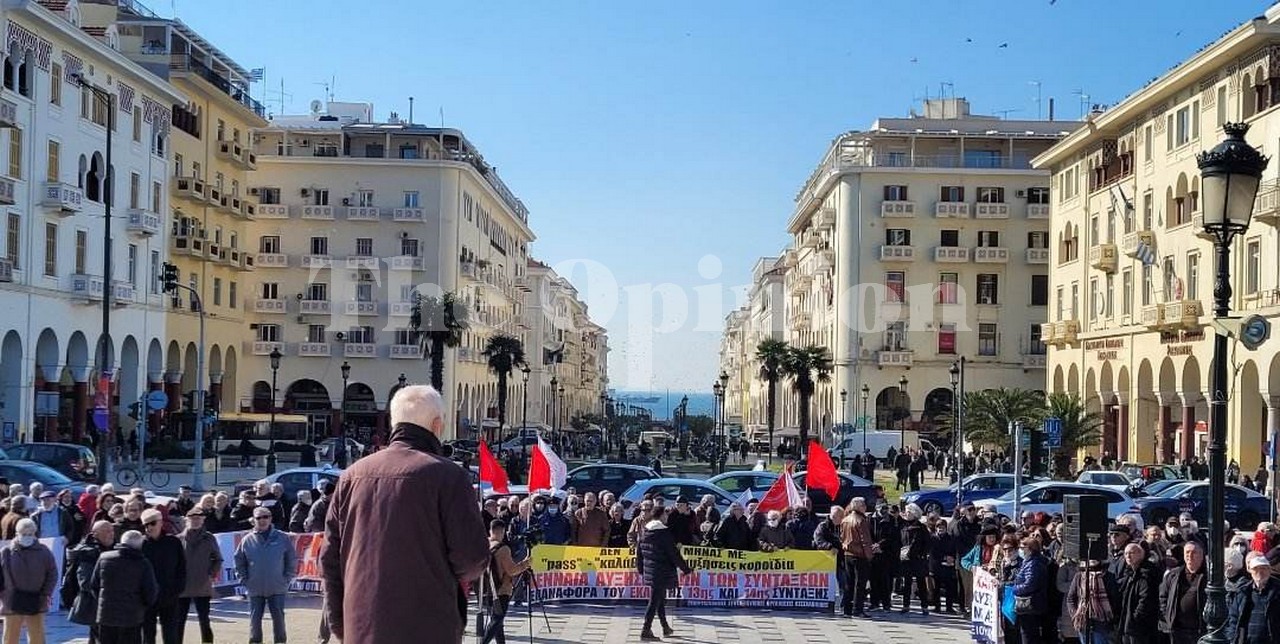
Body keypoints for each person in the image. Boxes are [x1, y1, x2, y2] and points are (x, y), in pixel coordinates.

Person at [320, 385, 488, 644]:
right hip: (429, 627)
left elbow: (330, 560)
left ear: (393, 422)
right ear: (436, 425)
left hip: (361, 627)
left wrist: (342, 626)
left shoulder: (352, 476)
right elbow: (472, 560)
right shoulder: (448, 476)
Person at [236, 507, 297, 644]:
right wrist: (244, 579)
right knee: (255, 620)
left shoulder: (282, 537)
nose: (262, 520)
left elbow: (291, 559)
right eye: (259, 518)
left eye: (266, 517)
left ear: (270, 518)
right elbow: (239, 561)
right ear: (253, 520)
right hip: (255, 587)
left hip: (277, 586)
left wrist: (286, 578)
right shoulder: (247, 540)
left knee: (279, 619)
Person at [89, 530, 158, 644]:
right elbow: (150, 591)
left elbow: (94, 585)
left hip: (106, 614)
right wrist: (144, 606)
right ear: (140, 545)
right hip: (132, 616)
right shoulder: (143, 563)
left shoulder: (104, 558)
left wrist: (102, 602)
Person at [636, 506, 693, 641]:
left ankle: (665, 627)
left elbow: (639, 552)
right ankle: (646, 629)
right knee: (655, 601)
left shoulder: (645, 530)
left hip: (650, 570)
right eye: (665, 515)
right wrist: (686, 569)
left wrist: (640, 569)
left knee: (660, 599)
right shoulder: (663, 533)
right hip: (661, 571)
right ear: (661, 516)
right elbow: (673, 554)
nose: (667, 518)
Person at [0, 518, 57, 644]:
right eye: (24, 534)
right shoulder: (7, 552)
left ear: (35, 534)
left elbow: (52, 573)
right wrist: (3, 595)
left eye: (30, 534)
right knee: (10, 637)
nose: (27, 537)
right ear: (17, 534)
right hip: (12, 600)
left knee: (37, 637)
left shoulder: (44, 551)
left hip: (36, 599)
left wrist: (46, 593)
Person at [140, 508, 185, 644]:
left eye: (152, 523)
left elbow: (181, 567)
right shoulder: (141, 544)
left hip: (169, 595)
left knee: (171, 633)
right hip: (147, 597)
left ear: (160, 523)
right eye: (145, 525)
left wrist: (178, 588)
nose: (149, 527)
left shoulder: (173, 542)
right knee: (148, 634)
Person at [177, 508, 221, 644]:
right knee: (179, 620)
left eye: (199, 518)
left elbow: (218, 559)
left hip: (203, 585)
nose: (195, 521)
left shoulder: (209, 538)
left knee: (204, 619)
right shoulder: (178, 539)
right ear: (187, 520)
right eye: (193, 518)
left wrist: (211, 574)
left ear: (203, 520)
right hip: (182, 586)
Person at [482, 519, 529, 644]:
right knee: (497, 620)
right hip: (501, 589)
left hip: (487, 588)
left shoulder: (484, 544)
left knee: (498, 622)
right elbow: (512, 570)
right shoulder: (503, 549)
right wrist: (526, 563)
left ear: (490, 530)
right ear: (502, 532)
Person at [68, 521, 116, 642]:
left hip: (110, 604)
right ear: (95, 534)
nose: (111, 534)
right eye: (106, 531)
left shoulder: (115, 548)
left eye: (112, 531)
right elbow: (85, 581)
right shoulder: (88, 553)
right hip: (95, 604)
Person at [1225, 553, 1280, 643]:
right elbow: (1233, 620)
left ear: (1270, 570)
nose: (1260, 572)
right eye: (1256, 569)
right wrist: (1233, 639)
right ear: (1250, 571)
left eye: (1263, 568)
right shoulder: (1242, 593)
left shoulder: (1277, 591)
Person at [1159, 541, 1206, 644]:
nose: (1190, 556)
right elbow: (1163, 597)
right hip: (1178, 630)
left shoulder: (1208, 577)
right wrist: (1168, 616)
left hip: (1199, 631)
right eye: (1187, 552)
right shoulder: (1173, 575)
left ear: (1202, 555)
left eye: (1194, 552)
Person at [1117, 543, 1159, 644]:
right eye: (1126, 553)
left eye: (1131, 553)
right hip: (1126, 625)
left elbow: (1146, 600)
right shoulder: (1128, 573)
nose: (1128, 556)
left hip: (1140, 627)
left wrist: (1135, 618)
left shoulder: (1147, 574)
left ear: (1141, 554)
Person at [1012, 536, 1050, 642]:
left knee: (1029, 634)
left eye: (1022, 548)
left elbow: (1030, 584)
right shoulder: (1029, 562)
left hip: (1030, 604)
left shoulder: (1034, 564)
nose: (1020, 550)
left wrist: (1015, 589)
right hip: (1031, 604)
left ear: (1030, 549)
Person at [840, 498, 874, 617]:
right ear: (858, 507)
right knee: (860, 583)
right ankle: (857, 609)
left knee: (849, 582)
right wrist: (869, 555)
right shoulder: (861, 520)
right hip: (860, 555)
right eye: (863, 505)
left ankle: (847, 609)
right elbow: (865, 540)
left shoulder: (845, 520)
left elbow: (842, 537)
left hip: (848, 554)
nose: (865, 507)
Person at [899, 503, 931, 615]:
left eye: (909, 512)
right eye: (906, 511)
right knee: (906, 583)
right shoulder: (903, 526)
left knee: (921, 583)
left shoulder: (921, 528)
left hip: (918, 559)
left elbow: (927, 543)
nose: (906, 514)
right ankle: (905, 605)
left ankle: (924, 606)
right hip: (906, 559)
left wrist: (921, 554)